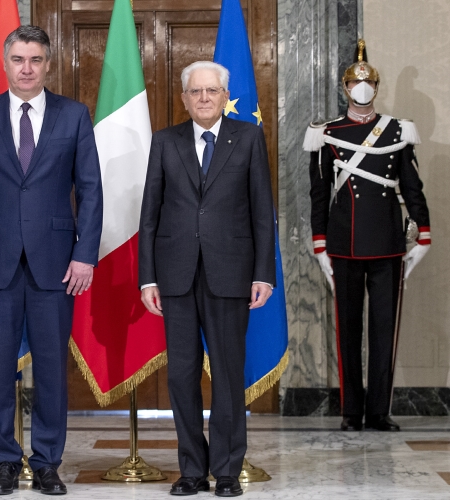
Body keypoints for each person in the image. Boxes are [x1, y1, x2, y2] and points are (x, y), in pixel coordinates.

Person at [0, 26, 102, 496]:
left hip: (56, 264)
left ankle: (48, 462)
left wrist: (85, 255)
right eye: (18, 59)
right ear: (5, 62)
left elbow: (91, 189)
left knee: (52, 369)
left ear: (48, 64)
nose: (27, 69)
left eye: (36, 60)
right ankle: (5, 463)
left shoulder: (73, 115)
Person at [138, 61, 275, 498]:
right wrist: (147, 278)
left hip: (231, 273)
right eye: (195, 91)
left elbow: (262, 211)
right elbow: (149, 214)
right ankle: (192, 470)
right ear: (184, 98)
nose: (203, 98)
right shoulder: (165, 141)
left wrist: (264, 273)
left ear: (224, 96)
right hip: (175, 276)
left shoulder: (248, 137)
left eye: (211, 91)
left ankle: (228, 470)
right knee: (181, 376)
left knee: (229, 375)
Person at [304, 39, 431, 432]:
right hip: (343, 244)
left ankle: (378, 411)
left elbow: (412, 186)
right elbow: (319, 193)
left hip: (388, 242)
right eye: (355, 83)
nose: (362, 88)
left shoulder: (398, 130)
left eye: (369, 83)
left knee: (384, 330)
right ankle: (350, 411)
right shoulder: (326, 133)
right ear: (345, 87)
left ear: (376, 87)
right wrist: (320, 243)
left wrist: (423, 234)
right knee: (347, 330)